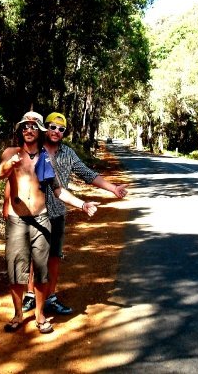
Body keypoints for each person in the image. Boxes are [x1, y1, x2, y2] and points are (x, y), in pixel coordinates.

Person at [0, 111, 98, 334]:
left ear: (39, 130)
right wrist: (9, 166)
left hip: (41, 219)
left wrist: (82, 204)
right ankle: (17, 315)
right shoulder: (11, 153)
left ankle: (40, 316)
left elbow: (59, 191)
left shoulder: (45, 159)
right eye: (25, 126)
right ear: (20, 130)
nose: (28, 130)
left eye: (33, 126)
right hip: (17, 219)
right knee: (16, 270)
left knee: (42, 271)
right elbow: (0, 174)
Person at [20, 112, 128, 316]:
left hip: (58, 211)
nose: (56, 132)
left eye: (61, 129)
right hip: (34, 211)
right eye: (52, 127)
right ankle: (31, 295)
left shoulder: (68, 154)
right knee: (34, 256)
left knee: (54, 257)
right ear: (46, 128)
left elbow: (88, 174)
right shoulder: (34, 149)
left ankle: (50, 297)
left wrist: (113, 188)